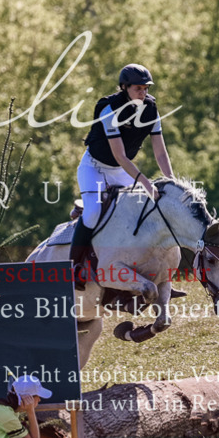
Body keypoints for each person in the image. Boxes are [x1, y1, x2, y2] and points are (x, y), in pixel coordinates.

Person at [70, 63, 175, 285]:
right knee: (93, 213)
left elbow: (160, 152)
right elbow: (120, 156)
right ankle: (74, 266)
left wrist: (171, 182)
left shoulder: (151, 110)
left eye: (146, 88)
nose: (143, 93)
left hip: (120, 171)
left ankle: (154, 273)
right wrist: (147, 184)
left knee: (144, 208)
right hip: (94, 168)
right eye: (138, 88)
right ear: (124, 87)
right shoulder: (109, 109)